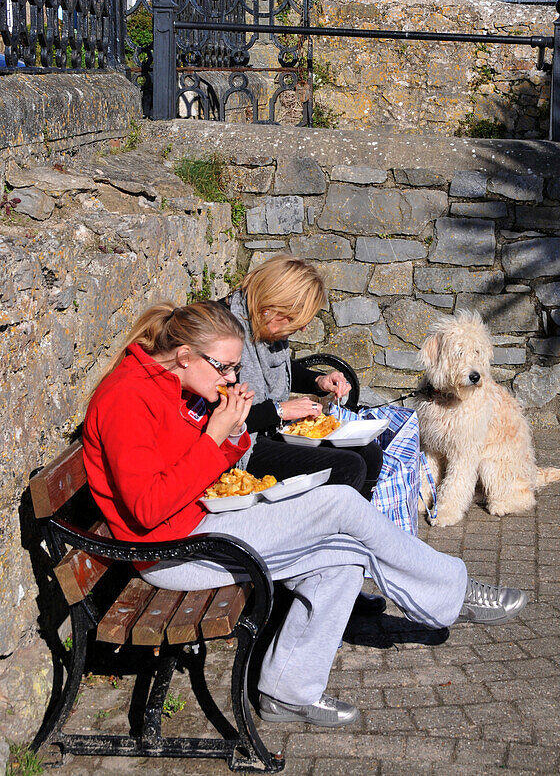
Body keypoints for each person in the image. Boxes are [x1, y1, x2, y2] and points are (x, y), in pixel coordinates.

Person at [83, 299, 528, 728]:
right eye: (225, 368)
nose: (231, 378)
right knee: (339, 503)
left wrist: (231, 431)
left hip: (199, 520)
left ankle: (287, 693)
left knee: (343, 555)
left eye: (235, 368)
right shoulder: (127, 397)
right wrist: (215, 434)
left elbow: (190, 466)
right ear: (184, 356)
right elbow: (147, 508)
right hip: (174, 551)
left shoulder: (169, 384)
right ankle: (455, 589)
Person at [226, 257, 383, 502]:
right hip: (242, 444)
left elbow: (283, 367)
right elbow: (218, 416)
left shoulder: (263, 322)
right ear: (273, 305)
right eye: (295, 319)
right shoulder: (224, 330)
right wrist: (279, 411)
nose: (300, 330)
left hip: (269, 429)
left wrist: (318, 382)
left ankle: (355, 527)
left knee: (370, 452)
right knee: (348, 467)